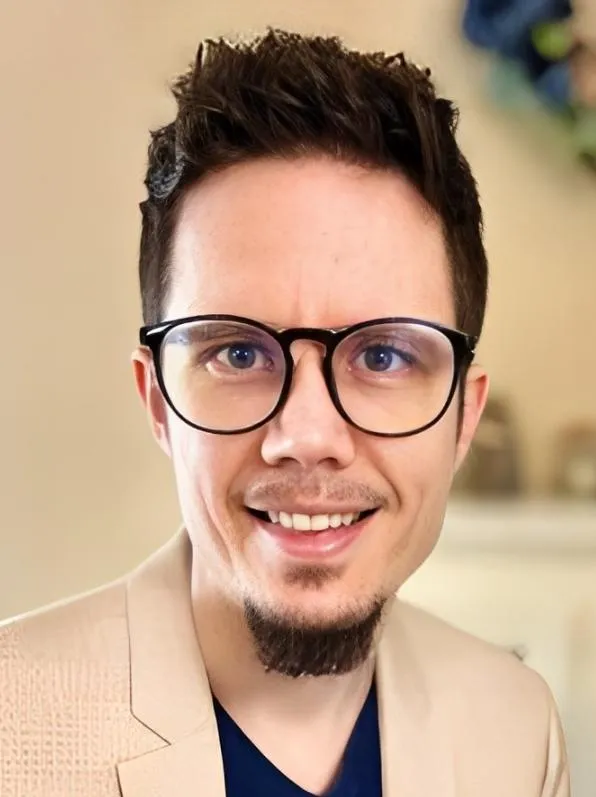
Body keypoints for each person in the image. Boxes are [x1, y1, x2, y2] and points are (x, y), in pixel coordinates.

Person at [0, 28, 569, 797]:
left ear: (464, 418)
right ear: (157, 399)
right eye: (238, 353)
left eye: (383, 356)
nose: (306, 436)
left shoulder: (518, 728)